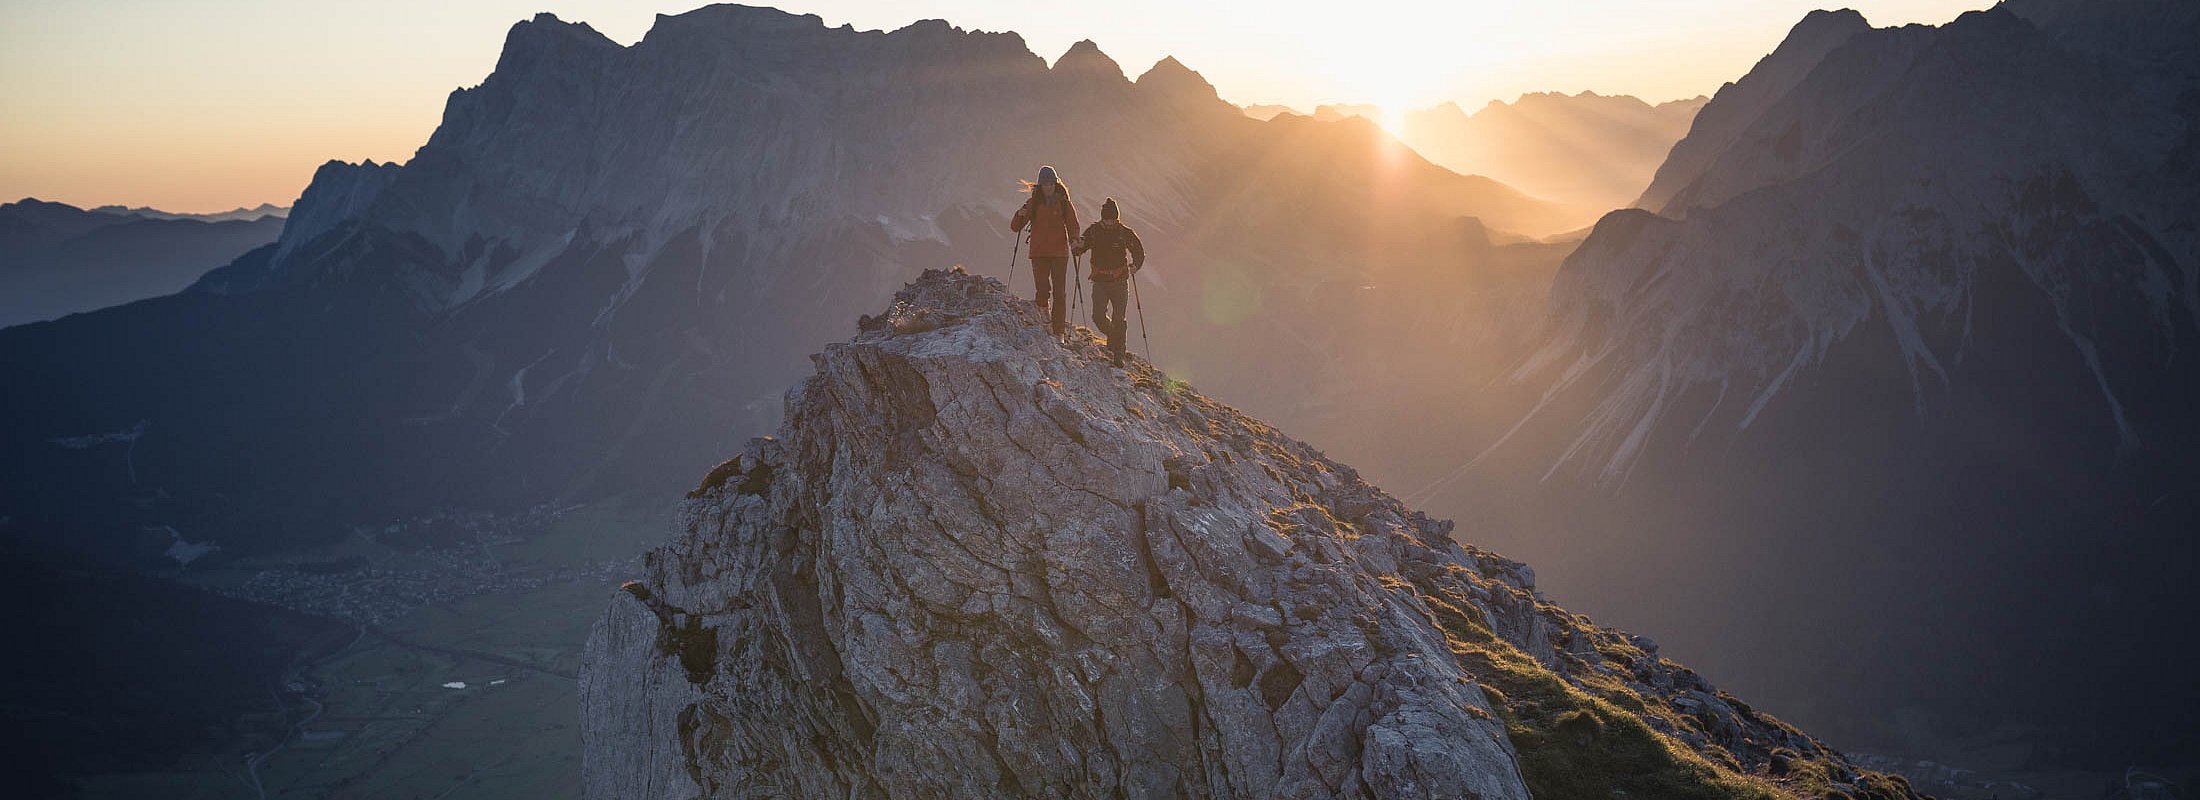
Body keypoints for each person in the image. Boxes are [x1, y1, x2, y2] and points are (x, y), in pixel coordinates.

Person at [1074, 197, 1145, 365]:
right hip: (1100, 281)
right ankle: (1114, 338)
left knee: (1119, 317)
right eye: (1106, 219)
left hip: (1120, 281)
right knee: (1098, 316)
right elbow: (1082, 248)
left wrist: (1136, 265)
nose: (1109, 223)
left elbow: (1138, 250)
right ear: (1102, 218)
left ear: (1117, 218)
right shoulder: (1094, 231)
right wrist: (1077, 247)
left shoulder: (1124, 232)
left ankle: (1119, 353)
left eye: (1112, 219)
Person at [1010, 165, 1080, 335]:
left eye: (1050, 184)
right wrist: (1019, 214)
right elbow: (1015, 227)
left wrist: (1075, 241)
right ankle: (1044, 311)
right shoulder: (1033, 203)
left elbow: (1072, 225)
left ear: (1055, 184)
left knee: (1059, 293)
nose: (1048, 187)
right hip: (1039, 253)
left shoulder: (1063, 203)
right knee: (1042, 289)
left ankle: (1059, 332)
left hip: (1059, 254)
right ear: (1040, 186)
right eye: (1045, 184)